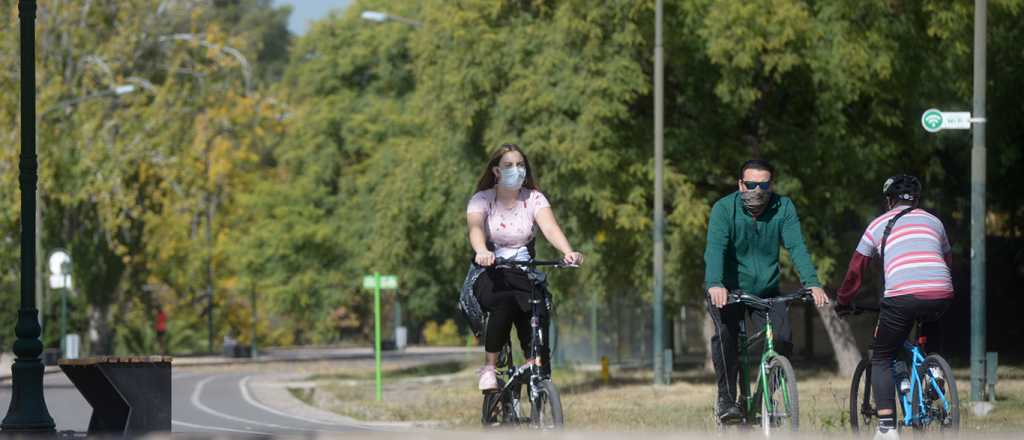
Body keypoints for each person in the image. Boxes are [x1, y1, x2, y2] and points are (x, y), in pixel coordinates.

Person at [703, 159, 829, 423]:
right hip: (728, 290)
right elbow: (715, 248)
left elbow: (796, 246)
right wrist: (715, 283)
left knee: (782, 338)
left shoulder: (783, 207)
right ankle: (726, 400)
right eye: (751, 185)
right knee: (726, 337)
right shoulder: (724, 209)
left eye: (763, 185)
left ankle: (765, 399)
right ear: (741, 185)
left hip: (766, 290)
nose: (757, 190)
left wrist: (812, 282)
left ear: (771, 185)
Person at [835, 175, 953, 440]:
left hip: (901, 297)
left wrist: (843, 300)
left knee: (882, 357)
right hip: (941, 290)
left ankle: (887, 427)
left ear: (889, 200)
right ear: (917, 200)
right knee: (932, 317)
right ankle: (934, 369)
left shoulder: (878, 224)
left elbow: (856, 270)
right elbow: (946, 257)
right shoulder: (934, 221)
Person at [465, 143, 583, 391]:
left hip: (523, 273)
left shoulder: (534, 199)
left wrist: (567, 251)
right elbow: (475, 229)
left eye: (520, 165)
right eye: (508, 165)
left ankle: (536, 368)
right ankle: (490, 368)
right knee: (505, 301)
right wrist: (482, 251)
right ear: (496, 171)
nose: (516, 170)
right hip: (490, 274)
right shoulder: (482, 199)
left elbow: (550, 228)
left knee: (539, 305)